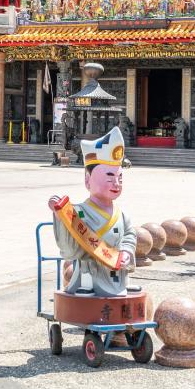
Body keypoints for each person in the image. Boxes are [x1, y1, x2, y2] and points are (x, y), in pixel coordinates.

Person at [48, 126, 137, 296]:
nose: (116, 183)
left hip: (117, 275)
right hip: (88, 276)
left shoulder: (122, 215)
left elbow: (129, 235)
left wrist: (126, 251)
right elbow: (69, 250)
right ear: (87, 180)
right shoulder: (79, 212)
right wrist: (60, 215)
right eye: (109, 177)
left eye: (120, 178)